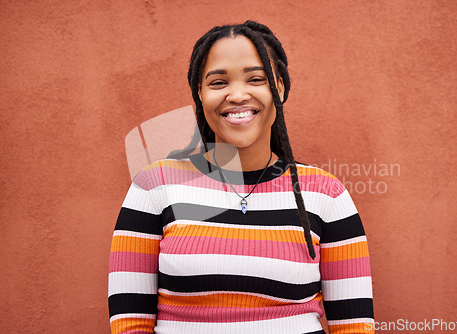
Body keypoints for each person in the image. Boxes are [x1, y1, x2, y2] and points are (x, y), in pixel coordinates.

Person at [108, 20, 374, 334]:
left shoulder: (326, 194)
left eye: (256, 79)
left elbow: (354, 326)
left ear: (280, 88)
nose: (237, 95)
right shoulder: (154, 187)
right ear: (200, 93)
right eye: (218, 82)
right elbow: (130, 325)